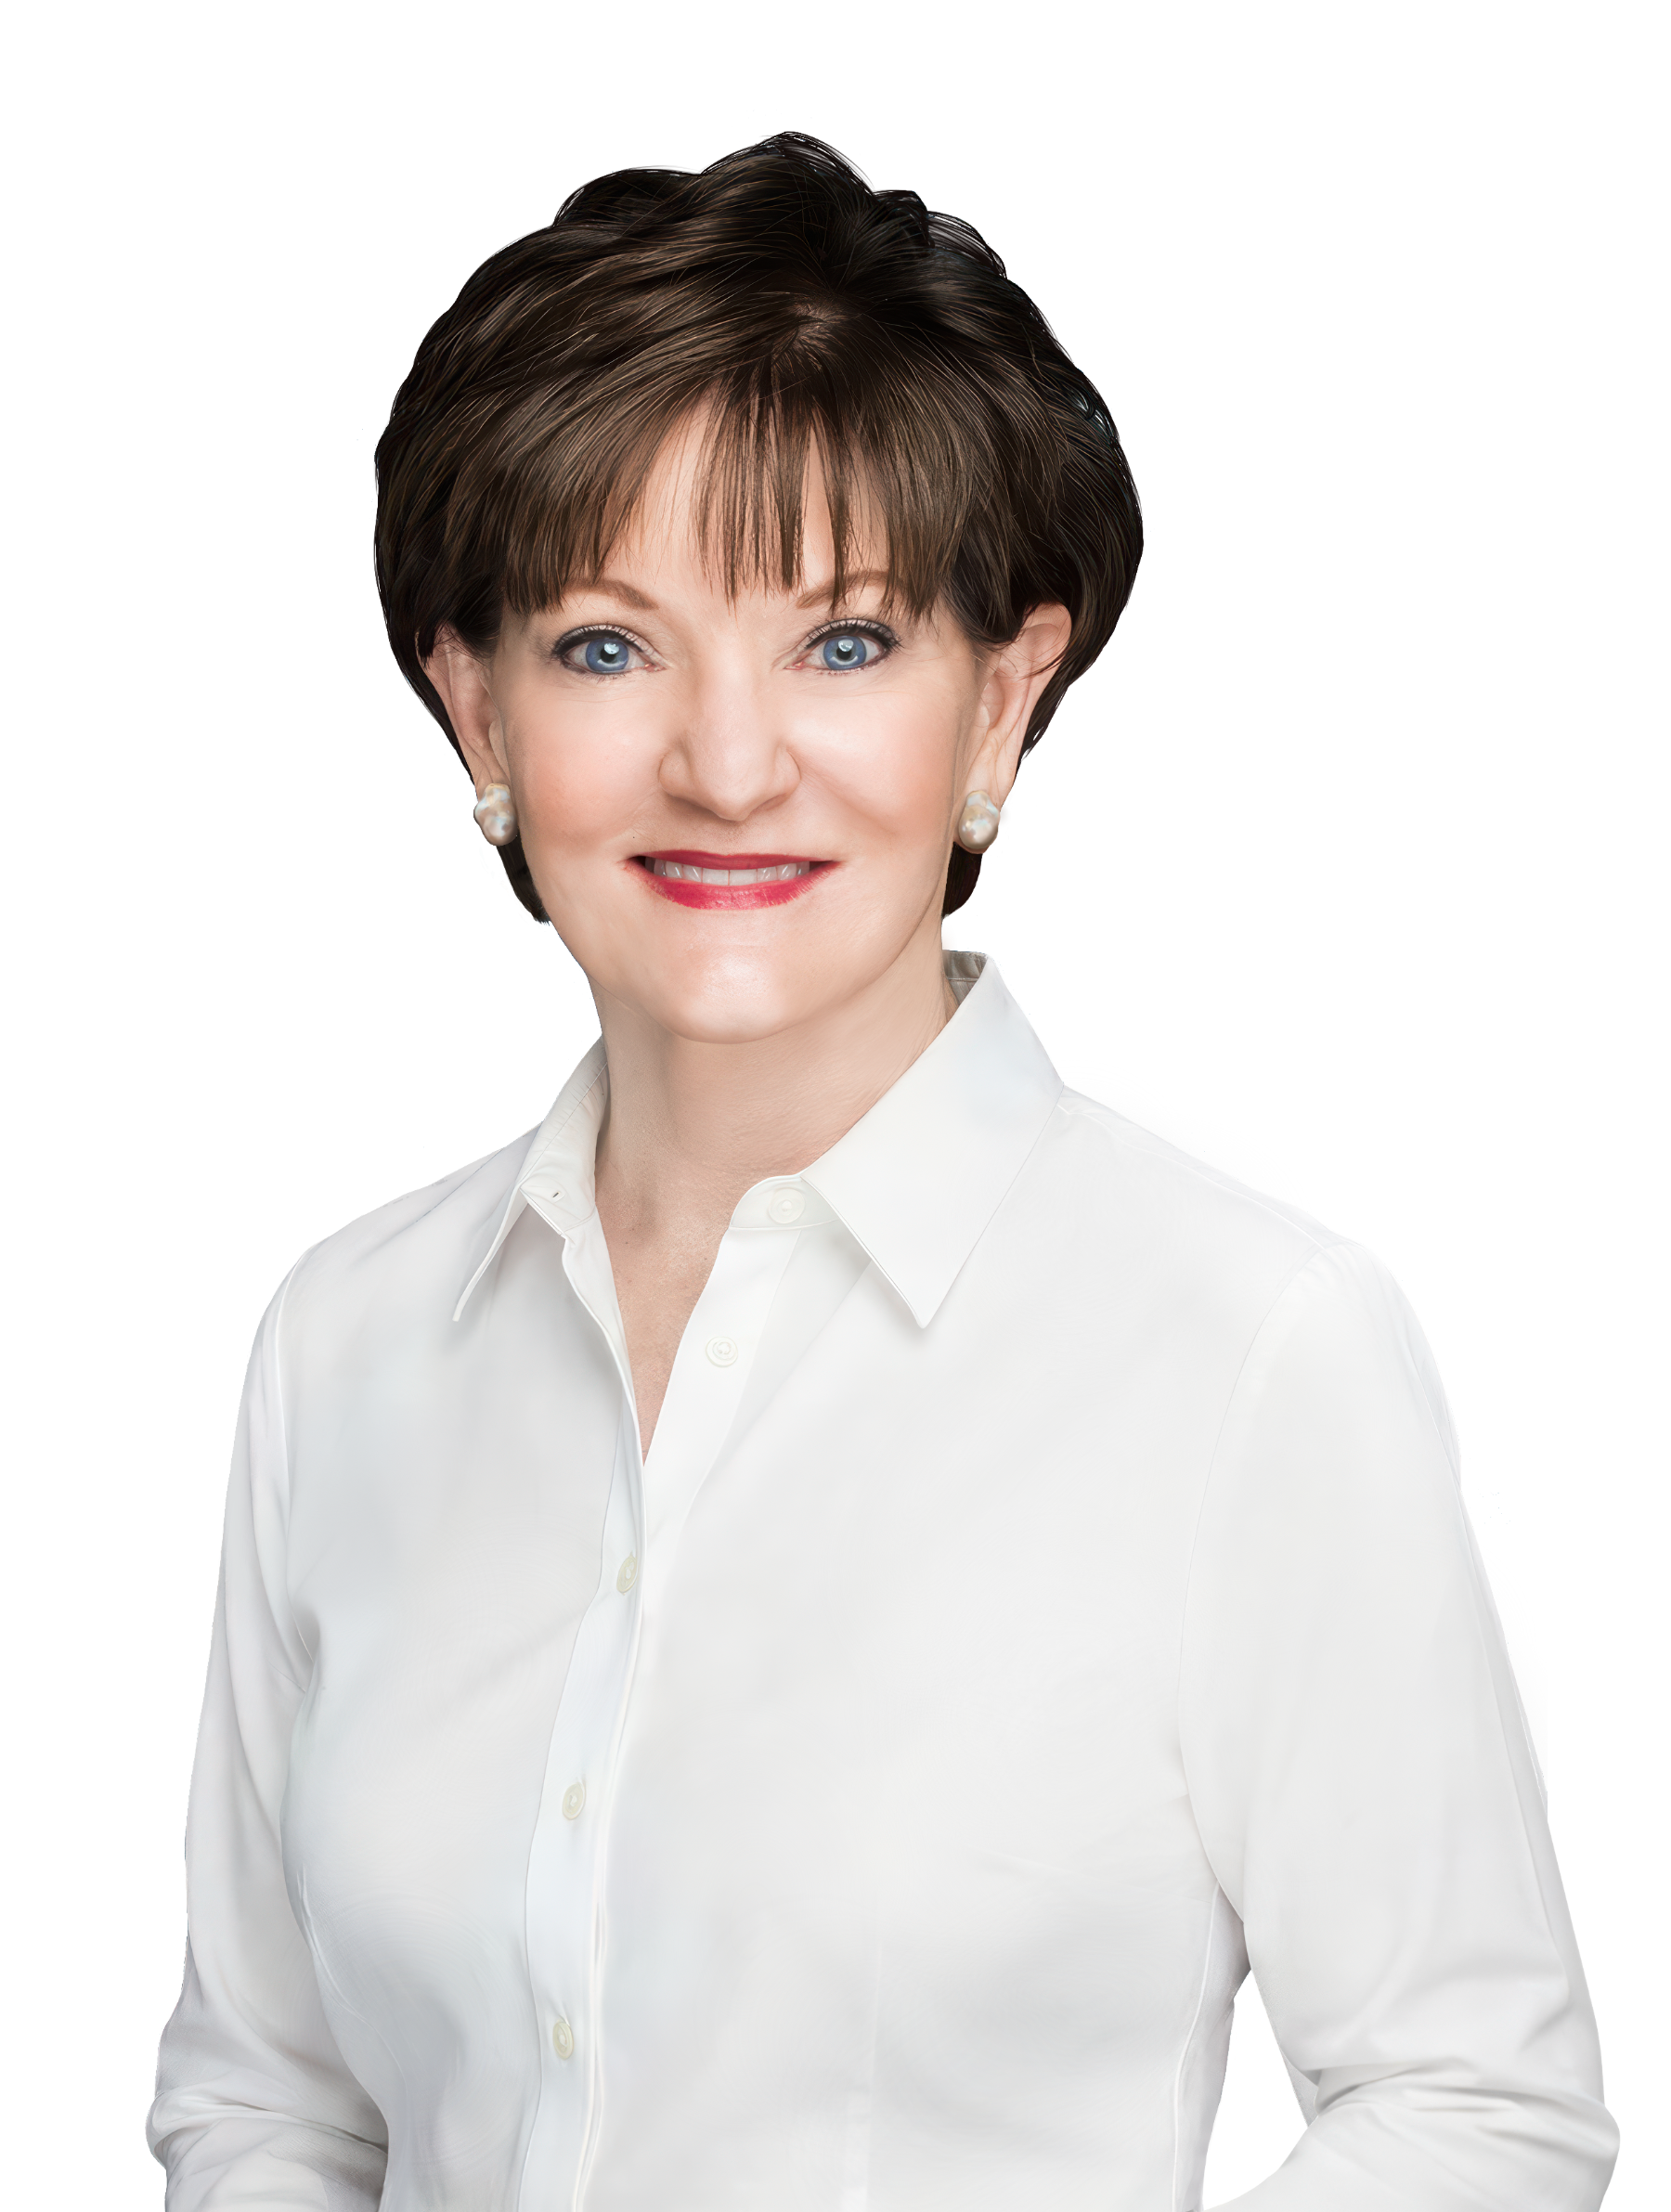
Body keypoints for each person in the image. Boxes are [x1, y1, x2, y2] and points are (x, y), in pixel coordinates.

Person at [146, 142, 1615, 2210]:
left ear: (1001, 704)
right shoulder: (355, 1343)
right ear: (470, 707)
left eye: (842, 647)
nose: (730, 766)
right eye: (604, 647)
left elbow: (1475, 2115)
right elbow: (273, 2106)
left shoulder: (1249, 1341)